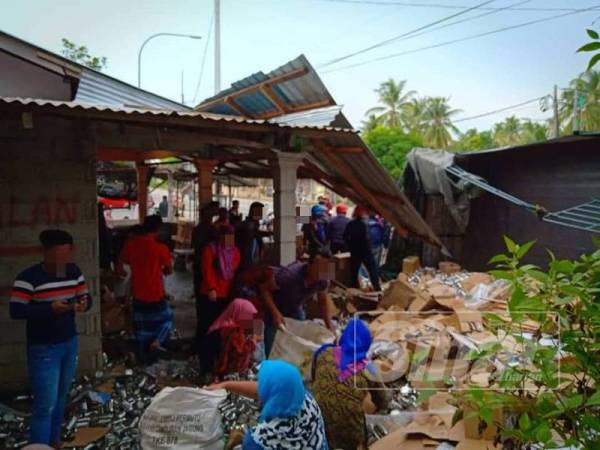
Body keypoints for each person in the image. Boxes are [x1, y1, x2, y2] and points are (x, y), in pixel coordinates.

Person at [10, 230, 92, 447]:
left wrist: (84, 303)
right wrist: (49, 309)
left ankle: (54, 442)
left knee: (59, 400)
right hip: (43, 349)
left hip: (69, 343)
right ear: (43, 252)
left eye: (65, 255)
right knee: (45, 405)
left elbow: (86, 296)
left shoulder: (73, 272)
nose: (61, 260)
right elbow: (16, 310)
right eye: (56, 255)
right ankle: (39, 445)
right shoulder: (28, 277)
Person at [208, 360, 328, 450]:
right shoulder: (307, 400)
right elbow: (268, 389)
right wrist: (227, 385)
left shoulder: (262, 440)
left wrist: (239, 439)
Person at [312, 319, 389, 450]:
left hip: (318, 423)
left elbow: (314, 378)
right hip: (350, 434)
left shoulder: (324, 353)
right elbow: (383, 400)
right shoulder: (368, 368)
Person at [117, 215, 174, 362]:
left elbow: (120, 264)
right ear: (158, 229)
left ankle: (143, 358)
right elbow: (169, 270)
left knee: (142, 327)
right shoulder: (161, 248)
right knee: (166, 320)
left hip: (137, 293)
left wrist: (122, 272)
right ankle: (157, 342)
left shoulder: (131, 244)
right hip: (156, 292)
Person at [257, 249, 334, 356]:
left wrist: (329, 326)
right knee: (272, 347)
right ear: (310, 265)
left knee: (300, 343)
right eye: (319, 268)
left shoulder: (324, 279)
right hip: (275, 307)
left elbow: (323, 302)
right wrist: (275, 313)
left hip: (295, 307)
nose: (321, 273)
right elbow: (264, 289)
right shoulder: (289, 277)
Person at [197, 224, 241, 339]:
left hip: (227, 293)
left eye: (231, 236)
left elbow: (233, 270)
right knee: (208, 324)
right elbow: (206, 270)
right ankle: (205, 354)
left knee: (222, 325)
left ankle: (217, 353)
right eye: (225, 235)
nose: (228, 239)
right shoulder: (210, 249)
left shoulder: (235, 251)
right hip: (211, 292)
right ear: (220, 236)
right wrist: (212, 288)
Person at [199, 298, 258, 379]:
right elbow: (238, 353)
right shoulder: (227, 331)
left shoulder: (235, 328)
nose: (250, 319)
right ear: (238, 313)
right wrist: (253, 341)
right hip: (218, 373)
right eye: (247, 315)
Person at [344, 206, 382, 291]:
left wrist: (350, 247)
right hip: (366, 252)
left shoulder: (350, 224)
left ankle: (354, 289)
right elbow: (367, 239)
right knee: (372, 270)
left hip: (355, 252)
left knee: (354, 272)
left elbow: (345, 237)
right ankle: (377, 288)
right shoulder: (365, 224)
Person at [235, 202, 270, 271]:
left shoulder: (254, 223)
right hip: (245, 260)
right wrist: (270, 233)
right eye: (262, 211)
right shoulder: (248, 224)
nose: (263, 214)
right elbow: (253, 233)